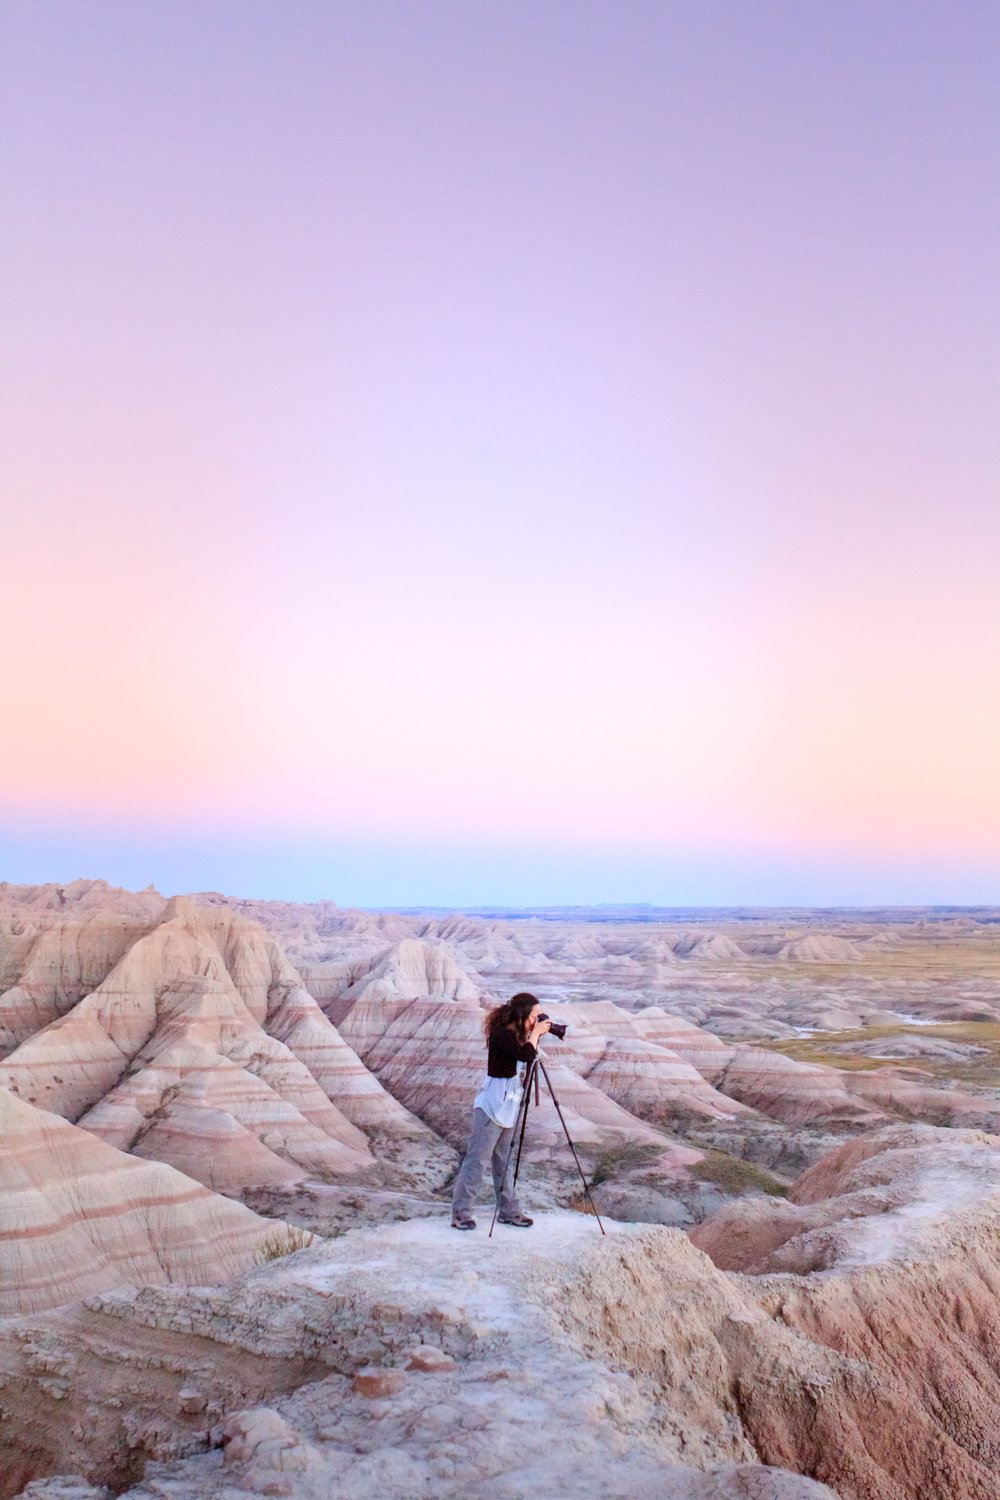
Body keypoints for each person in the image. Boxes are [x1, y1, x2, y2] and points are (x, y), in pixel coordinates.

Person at [451, 991, 551, 1230]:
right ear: (522, 1013)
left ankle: (508, 1211)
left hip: (508, 1106)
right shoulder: (502, 1035)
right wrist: (535, 1034)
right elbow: (526, 1055)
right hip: (491, 1106)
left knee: (504, 1161)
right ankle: (461, 1214)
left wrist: (534, 1034)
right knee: (477, 1161)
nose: (536, 1019)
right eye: (534, 1015)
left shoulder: (518, 1035)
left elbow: (527, 1055)